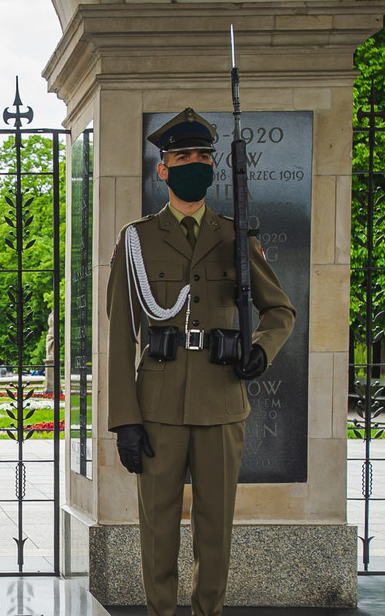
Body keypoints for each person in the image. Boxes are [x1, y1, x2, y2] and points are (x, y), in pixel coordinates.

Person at [105, 108, 295, 616]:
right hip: (159, 406)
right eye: (183, 157)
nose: (196, 164)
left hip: (221, 401)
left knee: (216, 529)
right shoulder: (137, 241)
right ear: (163, 169)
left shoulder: (235, 235)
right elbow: (120, 335)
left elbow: (280, 309)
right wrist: (125, 420)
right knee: (157, 527)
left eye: (204, 157)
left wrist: (261, 348)